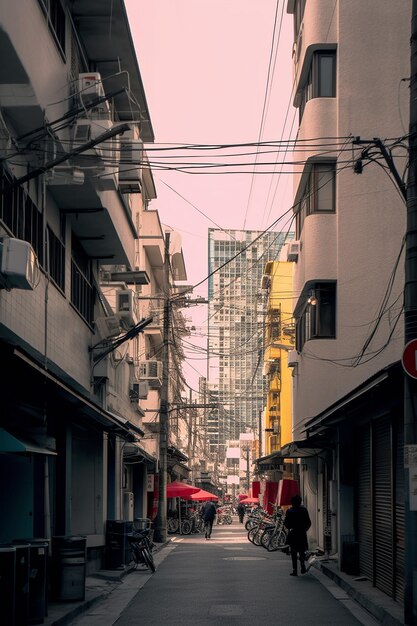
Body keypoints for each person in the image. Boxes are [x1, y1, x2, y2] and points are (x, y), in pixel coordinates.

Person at [284, 494, 311, 576]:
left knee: (293, 552)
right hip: (302, 533)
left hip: (293, 534)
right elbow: (308, 523)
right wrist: (304, 529)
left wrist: (291, 527)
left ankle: (295, 570)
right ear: (300, 502)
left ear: (292, 503)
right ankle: (303, 566)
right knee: (302, 551)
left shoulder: (289, 511)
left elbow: (287, 524)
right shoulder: (304, 510)